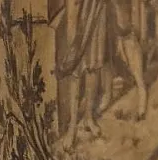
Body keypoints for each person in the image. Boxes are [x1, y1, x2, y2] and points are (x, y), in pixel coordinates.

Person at [54, 0, 148, 142]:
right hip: (81, 8)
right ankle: (73, 126)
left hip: (100, 7)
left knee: (97, 60)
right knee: (77, 61)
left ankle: (89, 116)